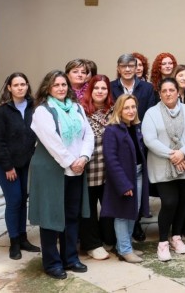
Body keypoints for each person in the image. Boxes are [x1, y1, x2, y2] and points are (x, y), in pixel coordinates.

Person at [29, 70, 94, 280]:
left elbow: (88, 134)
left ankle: (71, 258)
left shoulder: (76, 108)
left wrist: (83, 157)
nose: (60, 88)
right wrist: (71, 161)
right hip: (52, 170)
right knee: (51, 217)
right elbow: (51, 141)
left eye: (64, 85)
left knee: (71, 215)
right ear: (48, 87)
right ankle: (51, 263)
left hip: (76, 168)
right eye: (56, 85)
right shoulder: (42, 111)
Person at [142, 78, 185, 261]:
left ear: (178, 92)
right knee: (169, 202)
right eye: (164, 90)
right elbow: (149, 139)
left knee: (183, 202)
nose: (168, 93)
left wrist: (182, 153)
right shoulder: (151, 113)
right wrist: (173, 155)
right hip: (162, 166)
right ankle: (162, 243)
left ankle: (176, 237)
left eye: (172, 90)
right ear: (159, 93)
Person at [0, 72, 40, 260]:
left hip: (25, 163)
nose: (20, 88)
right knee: (14, 201)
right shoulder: (1, 112)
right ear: (9, 88)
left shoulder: (34, 107)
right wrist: (8, 166)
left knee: (22, 200)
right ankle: (14, 242)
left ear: (27, 86)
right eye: (16, 85)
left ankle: (23, 238)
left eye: (23, 84)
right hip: (6, 166)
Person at [100, 95, 149, 264]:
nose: (130, 111)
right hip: (123, 178)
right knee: (122, 214)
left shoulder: (134, 127)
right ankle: (125, 250)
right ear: (119, 110)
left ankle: (125, 246)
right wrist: (123, 184)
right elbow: (111, 159)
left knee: (132, 212)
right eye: (126, 108)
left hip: (139, 174)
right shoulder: (112, 130)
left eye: (133, 107)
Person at [78, 75, 116, 260]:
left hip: (109, 168)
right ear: (90, 90)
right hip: (90, 167)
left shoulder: (114, 110)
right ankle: (91, 244)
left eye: (104, 88)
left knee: (109, 206)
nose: (100, 91)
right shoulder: (81, 111)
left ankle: (107, 239)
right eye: (96, 88)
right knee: (89, 209)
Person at [111, 54, 156, 120]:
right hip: (117, 128)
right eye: (123, 66)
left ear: (135, 68)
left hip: (141, 128)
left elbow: (150, 113)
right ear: (118, 69)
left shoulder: (148, 88)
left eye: (131, 66)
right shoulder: (110, 87)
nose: (127, 69)